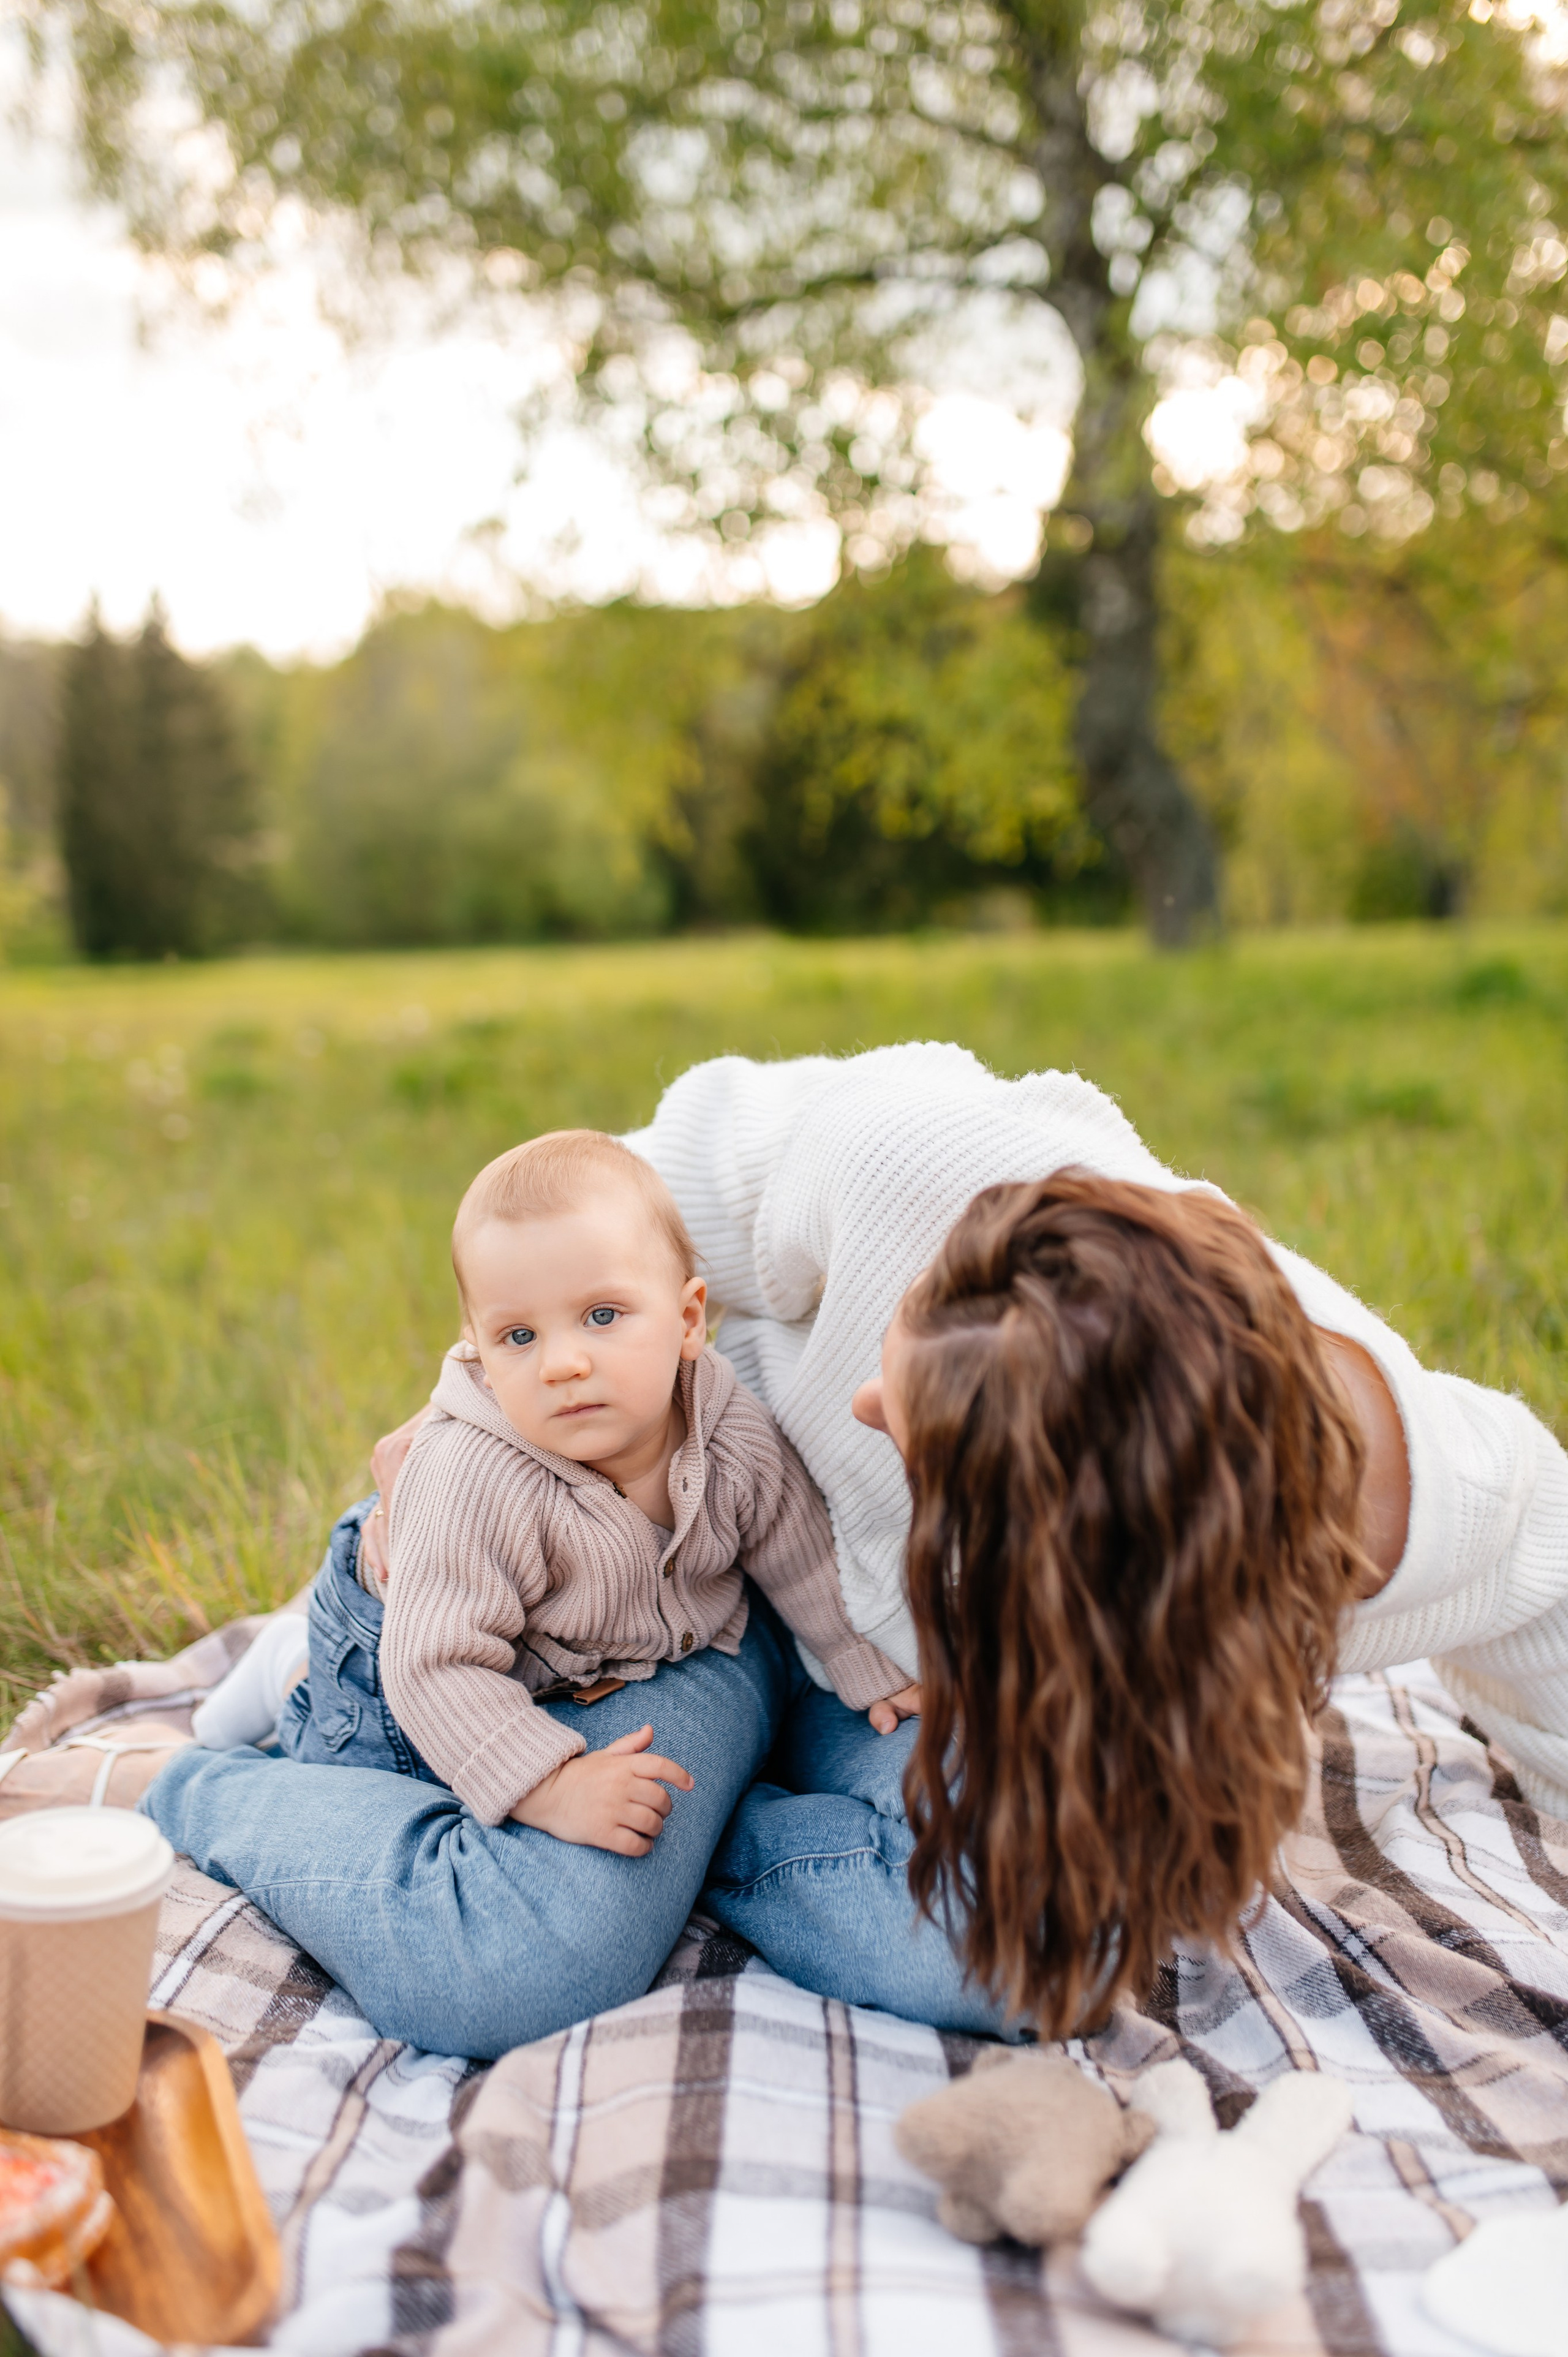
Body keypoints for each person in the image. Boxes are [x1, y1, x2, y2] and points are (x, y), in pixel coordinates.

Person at [150, 1043, 1568, 2055]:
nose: (864, 1408)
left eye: (929, 1448)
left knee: (1049, 1949)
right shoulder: (921, 1163)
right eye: (908, 1333)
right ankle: (198, 1785)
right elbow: (606, 1219)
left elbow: (1548, 1592)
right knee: (514, 1965)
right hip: (655, 1583)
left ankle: (703, 1834)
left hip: (853, 1663)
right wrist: (474, 1411)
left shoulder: (1437, 1512)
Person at [150, 1129, 908, 2054]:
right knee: (386, 1782)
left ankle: (286, 1666)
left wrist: (856, 1659)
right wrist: (548, 1785)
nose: (561, 1363)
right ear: (477, 1348)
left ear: (688, 1320)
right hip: (401, 1668)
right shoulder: (482, 1478)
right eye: (519, 1336)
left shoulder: (726, 1426)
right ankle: (285, 1702)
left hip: (580, 1653)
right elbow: (438, 1666)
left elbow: (792, 1546)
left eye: (602, 1316)